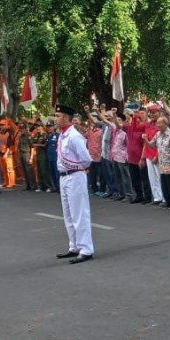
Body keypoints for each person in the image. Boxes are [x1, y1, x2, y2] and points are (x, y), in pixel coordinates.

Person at [53, 104, 95, 264]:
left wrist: (75, 168)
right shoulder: (62, 135)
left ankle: (86, 249)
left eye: (58, 116)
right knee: (68, 214)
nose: (55, 118)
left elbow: (86, 160)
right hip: (64, 177)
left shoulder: (74, 136)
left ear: (66, 118)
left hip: (75, 176)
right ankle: (74, 246)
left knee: (79, 213)